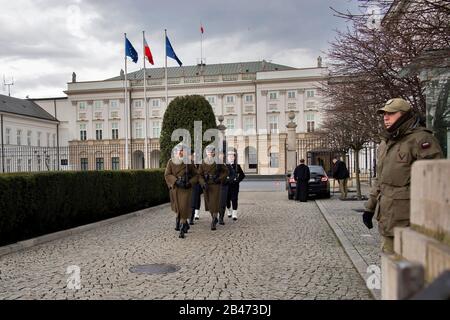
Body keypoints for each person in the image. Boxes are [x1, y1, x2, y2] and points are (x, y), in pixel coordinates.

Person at [363, 98, 443, 254]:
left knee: (411, 272)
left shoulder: (422, 140)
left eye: (391, 114)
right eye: (384, 114)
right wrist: (369, 208)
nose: (386, 117)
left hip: (411, 224)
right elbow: (380, 180)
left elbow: (435, 183)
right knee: (391, 266)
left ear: (405, 115)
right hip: (387, 220)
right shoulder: (386, 142)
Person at [164, 144, 198, 238]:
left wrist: (190, 183)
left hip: (186, 188)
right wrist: (175, 181)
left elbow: (196, 175)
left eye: (182, 150)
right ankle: (183, 222)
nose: (180, 152)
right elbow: (167, 175)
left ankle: (182, 226)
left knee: (183, 206)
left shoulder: (188, 163)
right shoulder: (171, 162)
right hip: (176, 188)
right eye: (178, 150)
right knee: (178, 208)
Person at [198, 145, 228, 230]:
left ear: (214, 152)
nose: (210, 153)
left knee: (215, 203)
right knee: (209, 204)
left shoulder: (218, 161)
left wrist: (219, 178)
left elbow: (225, 172)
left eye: (211, 152)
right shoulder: (202, 162)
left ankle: (214, 220)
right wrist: (203, 183)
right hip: (207, 185)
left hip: (216, 185)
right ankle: (214, 217)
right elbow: (199, 175)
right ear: (206, 152)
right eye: (208, 152)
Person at [220, 151, 246, 222]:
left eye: (232, 156)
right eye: (229, 156)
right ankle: (229, 210)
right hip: (227, 186)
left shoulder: (237, 166)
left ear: (234, 158)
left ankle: (234, 213)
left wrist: (237, 180)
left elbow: (242, 175)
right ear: (227, 157)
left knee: (234, 199)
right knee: (227, 199)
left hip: (234, 186)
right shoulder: (225, 165)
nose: (231, 157)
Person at [190, 152, 202, 224]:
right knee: (190, 201)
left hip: (197, 185)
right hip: (190, 185)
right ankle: (191, 215)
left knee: (196, 199)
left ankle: (196, 213)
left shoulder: (200, 165)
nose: (194, 157)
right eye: (193, 156)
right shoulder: (189, 164)